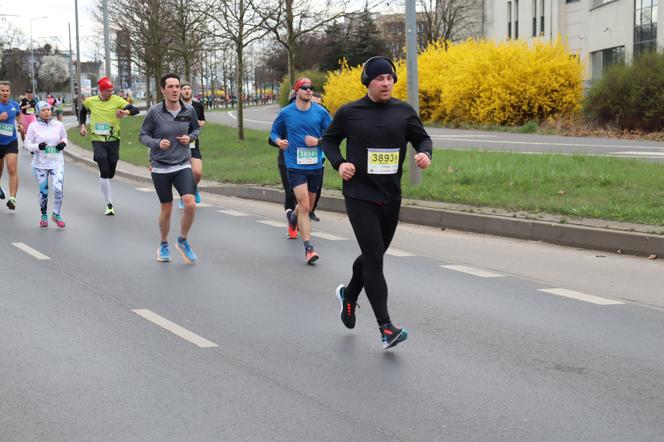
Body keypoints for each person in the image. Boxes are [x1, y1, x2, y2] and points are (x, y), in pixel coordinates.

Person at [321, 56, 433, 349]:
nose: (386, 83)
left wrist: (424, 154)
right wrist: (339, 163)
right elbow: (329, 141)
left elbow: (423, 139)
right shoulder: (350, 112)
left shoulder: (404, 112)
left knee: (375, 255)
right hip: (359, 195)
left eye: (390, 78)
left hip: (390, 196)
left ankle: (349, 295)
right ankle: (386, 328)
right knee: (374, 258)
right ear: (367, 82)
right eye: (380, 79)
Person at [139, 73, 200, 264]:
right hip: (161, 167)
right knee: (167, 208)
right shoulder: (154, 112)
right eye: (171, 87)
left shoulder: (189, 110)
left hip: (182, 164)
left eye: (177, 86)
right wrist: (157, 143)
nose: (175, 90)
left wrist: (189, 138)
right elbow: (143, 135)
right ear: (163, 90)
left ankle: (182, 240)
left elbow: (196, 129)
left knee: (190, 203)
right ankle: (163, 244)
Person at [270, 77, 331, 264]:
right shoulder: (286, 113)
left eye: (311, 88)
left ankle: (293, 216)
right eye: (304, 88)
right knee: (304, 205)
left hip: (315, 165)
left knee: (307, 207)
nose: (308, 91)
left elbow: (332, 135)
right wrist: (279, 142)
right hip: (295, 166)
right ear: (297, 91)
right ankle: (309, 249)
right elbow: (273, 133)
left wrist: (318, 141)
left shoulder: (321, 112)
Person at [79, 76, 140, 215]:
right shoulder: (90, 101)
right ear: (101, 91)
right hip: (97, 138)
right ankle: (109, 204)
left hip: (113, 138)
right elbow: (82, 111)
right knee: (103, 164)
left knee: (111, 167)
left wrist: (126, 112)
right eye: (108, 91)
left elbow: (135, 110)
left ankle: (105, 169)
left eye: (112, 90)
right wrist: (82, 125)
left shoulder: (117, 100)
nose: (111, 93)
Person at [23, 101, 67, 228]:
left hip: (57, 163)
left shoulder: (58, 125)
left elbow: (64, 138)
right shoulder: (33, 126)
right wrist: (38, 146)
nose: (46, 112)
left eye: (48, 109)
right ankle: (44, 215)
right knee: (44, 192)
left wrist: (63, 143)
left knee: (58, 189)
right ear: (38, 112)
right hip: (40, 165)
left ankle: (56, 214)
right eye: (43, 110)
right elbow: (27, 144)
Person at [178, 81, 205, 207]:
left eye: (189, 88)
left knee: (197, 172)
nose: (187, 91)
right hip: (178, 144)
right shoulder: (176, 106)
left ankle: (193, 189)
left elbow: (202, 120)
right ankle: (184, 196)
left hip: (193, 142)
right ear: (180, 92)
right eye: (184, 89)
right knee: (184, 172)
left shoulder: (197, 106)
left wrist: (199, 123)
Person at [0, 81, 22, 210]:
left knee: (12, 169)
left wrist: (20, 124)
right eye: (2, 90)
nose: (5, 93)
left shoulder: (14, 104)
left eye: (7, 90)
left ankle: (12, 198)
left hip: (11, 141)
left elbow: (19, 115)